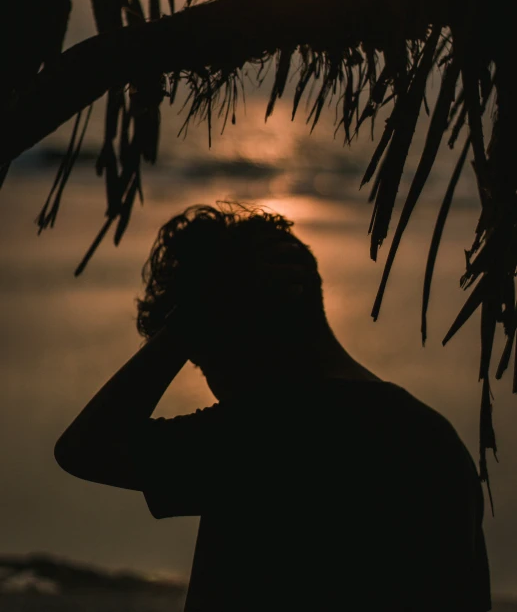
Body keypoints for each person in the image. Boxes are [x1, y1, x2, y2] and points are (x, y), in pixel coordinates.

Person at [55, 203, 491, 611]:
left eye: (203, 358)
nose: (213, 386)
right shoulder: (436, 440)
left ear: (227, 329)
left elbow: (84, 448)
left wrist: (187, 325)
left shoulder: (262, 435)